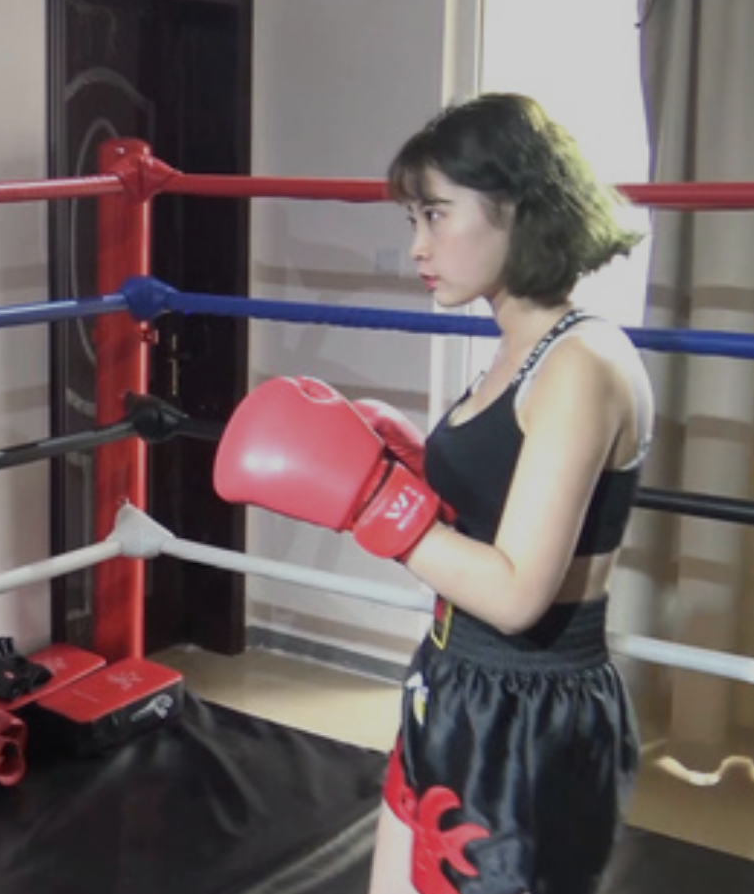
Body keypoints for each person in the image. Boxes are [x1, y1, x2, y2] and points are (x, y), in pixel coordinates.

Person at [214, 92, 653, 894]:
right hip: (454, 678)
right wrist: (414, 471)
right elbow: (490, 520)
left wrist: (373, 499)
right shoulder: (516, 353)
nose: (418, 244)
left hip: (528, 714)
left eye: (437, 215)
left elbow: (517, 595)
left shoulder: (580, 366)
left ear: (517, 207)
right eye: (413, 219)